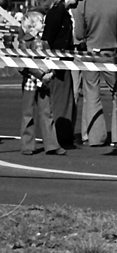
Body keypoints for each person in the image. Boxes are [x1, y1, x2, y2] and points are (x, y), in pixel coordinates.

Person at [72, 0, 117, 147]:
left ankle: (95, 137)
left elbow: (79, 35)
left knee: (91, 93)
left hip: (90, 52)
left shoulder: (83, 4)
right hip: (109, 52)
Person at [17, 13, 65, 156]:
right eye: (40, 21)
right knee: (28, 113)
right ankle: (27, 145)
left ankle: (52, 144)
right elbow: (24, 64)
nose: (43, 24)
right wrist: (41, 75)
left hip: (44, 82)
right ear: (32, 24)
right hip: (30, 82)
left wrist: (52, 72)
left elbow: (51, 58)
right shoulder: (24, 42)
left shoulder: (44, 42)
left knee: (47, 112)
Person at [41, 0, 79, 147]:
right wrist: (50, 64)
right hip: (58, 63)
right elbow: (47, 39)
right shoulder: (57, 13)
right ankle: (60, 138)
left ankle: (64, 136)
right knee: (61, 102)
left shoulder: (63, 12)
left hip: (64, 62)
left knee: (66, 100)